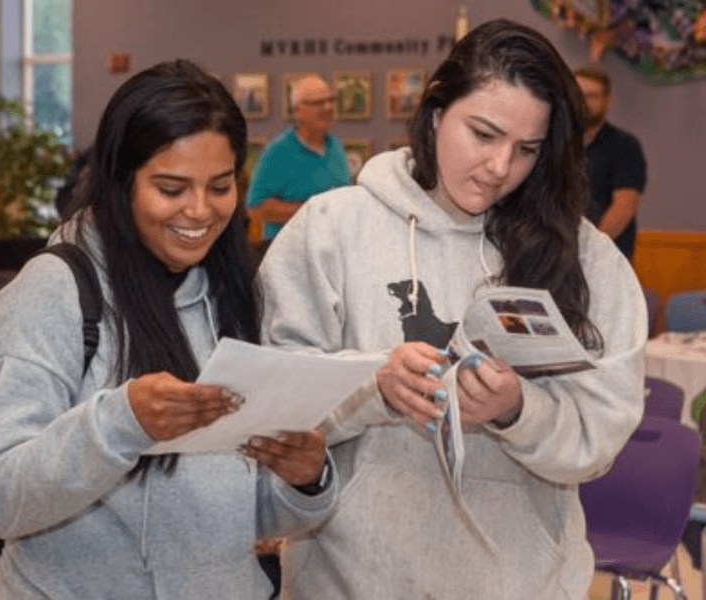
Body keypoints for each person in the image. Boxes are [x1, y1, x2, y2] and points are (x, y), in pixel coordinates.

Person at [258, 19, 647, 599]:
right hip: (350, 581)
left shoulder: (585, 255)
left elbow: (601, 434)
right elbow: (275, 411)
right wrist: (374, 388)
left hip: (523, 582)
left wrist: (519, 411)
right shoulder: (331, 229)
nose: (499, 167)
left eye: (526, 150)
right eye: (484, 134)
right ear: (437, 111)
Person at [0, 60, 337, 599]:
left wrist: (306, 480)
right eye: (170, 188)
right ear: (121, 182)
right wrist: (121, 424)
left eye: (219, 187)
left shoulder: (233, 291)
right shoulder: (51, 293)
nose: (199, 211)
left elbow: (236, 515)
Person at [245, 74, 350, 242]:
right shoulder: (277, 152)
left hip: (332, 248)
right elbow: (256, 208)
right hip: (290, 252)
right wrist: (313, 210)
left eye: (331, 100)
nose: (328, 107)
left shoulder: (336, 146)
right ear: (297, 110)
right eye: (318, 103)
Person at [575, 66, 647, 261]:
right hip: (557, 257)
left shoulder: (624, 145)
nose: (583, 102)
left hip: (607, 257)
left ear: (607, 100)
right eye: (577, 95)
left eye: (591, 96)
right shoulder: (555, 143)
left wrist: (587, 249)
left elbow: (624, 207)